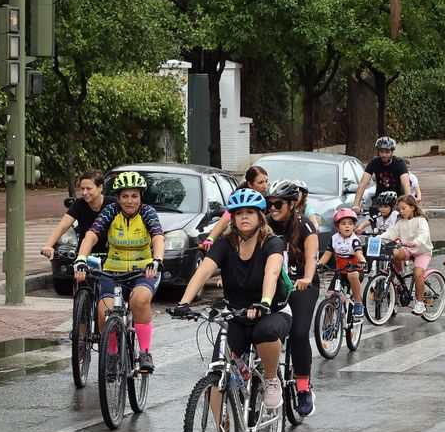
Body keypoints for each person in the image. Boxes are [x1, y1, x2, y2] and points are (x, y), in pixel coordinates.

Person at [172, 189, 289, 419]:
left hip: (271, 311)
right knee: (217, 371)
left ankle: (270, 378)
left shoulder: (271, 242)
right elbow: (203, 272)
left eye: (250, 212)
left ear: (260, 216)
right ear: (232, 218)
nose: (244, 217)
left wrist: (264, 302)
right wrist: (183, 303)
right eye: (238, 213)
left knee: (264, 332)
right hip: (237, 313)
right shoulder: (225, 243)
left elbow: (272, 273)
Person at [75, 171, 165, 374]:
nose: (129, 201)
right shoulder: (110, 211)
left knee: (139, 301)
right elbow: (91, 235)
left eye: (134, 196)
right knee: (103, 311)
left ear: (141, 197)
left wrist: (157, 260)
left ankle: (145, 352)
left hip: (143, 270)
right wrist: (81, 259)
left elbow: (158, 237)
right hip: (112, 271)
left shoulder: (147, 212)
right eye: (125, 196)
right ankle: (113, 356)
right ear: (118, 198)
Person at [266, 180, 320, 415]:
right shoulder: (264, 225)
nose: (273, 209)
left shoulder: (305, 226)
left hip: (300, 286)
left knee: (298, 334)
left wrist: (307, 278)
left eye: (278, 204)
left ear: (291, 203)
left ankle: (303, 388)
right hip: (273, 285)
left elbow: (311, 258)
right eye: (269, 204)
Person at [39, 170, 107, 289]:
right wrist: (48, 245)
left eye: (89, 189)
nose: (85, 193)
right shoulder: (79, 204)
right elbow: (63, 226)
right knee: (81, 289)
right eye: (82, 189)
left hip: (109, 255)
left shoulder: (112, 204)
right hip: (84, 254)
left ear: (100, 187)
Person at [380, 196, 434, 314]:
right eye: (399, 209)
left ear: (413, 207)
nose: (401, 212)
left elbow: (424, 235)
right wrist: (377, 239)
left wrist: (415, 242)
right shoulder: (401, 223)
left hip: (422, 251)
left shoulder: (421, 220)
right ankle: (400, 274)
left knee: (418, 274)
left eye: (403, 208)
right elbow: (390, 233)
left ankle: (420, 304)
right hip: (408, 249)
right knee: (392, 253)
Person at [321, 208, 366, 318]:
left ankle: (358, 303)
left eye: (350, 224)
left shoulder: (354, 240)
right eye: (343, 224)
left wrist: (362, 261)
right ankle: (329, 323)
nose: (347, 226)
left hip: (355, 270)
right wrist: (319, 264)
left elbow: (359, 253)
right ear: (337, 227)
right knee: (329, 296)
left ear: (354, 226)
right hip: (340, 272)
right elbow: (327, 254)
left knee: (352, 274)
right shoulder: (334, 239)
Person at [354, 136, 413, 210]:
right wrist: (356, 204)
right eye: (381, 151)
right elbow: (363, 184)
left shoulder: (400, 163)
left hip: (398, 198)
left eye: (387, 152)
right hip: (380, 198)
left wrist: (408, 204)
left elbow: (406, 184)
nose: (384, 155)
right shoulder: (374, 162)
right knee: (373, 214)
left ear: (392, 152)